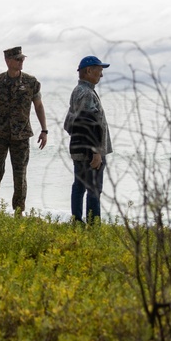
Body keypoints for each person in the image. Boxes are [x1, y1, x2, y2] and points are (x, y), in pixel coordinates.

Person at [0, 46, 48, 214]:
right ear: (8, 61)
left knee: (20, 174)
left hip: (21, 135)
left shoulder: (31, 82)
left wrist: (44, 130)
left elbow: (39, 106)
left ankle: (18, 211)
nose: (21, 62)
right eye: (18, 59)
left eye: (22, 59)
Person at [64, 55, 112, 224]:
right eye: (99, 70)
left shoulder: (79, 91)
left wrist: (77, 142)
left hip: (80, 149)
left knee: (79, 186)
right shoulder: (86, 94)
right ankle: (92, 224)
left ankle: (77, 221)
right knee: (93, 188)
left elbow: (68, 123)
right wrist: (96, 151)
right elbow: (89, 124)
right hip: (89, 151)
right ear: (89, 71)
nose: (101, 75)